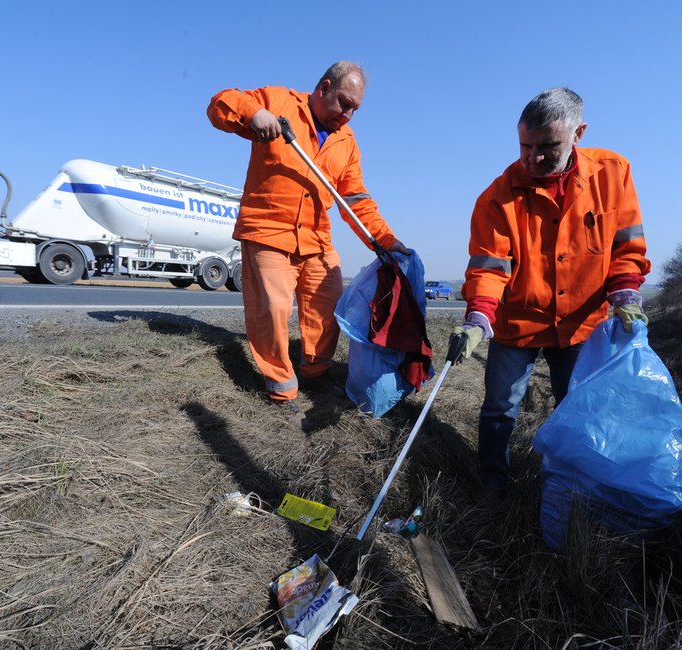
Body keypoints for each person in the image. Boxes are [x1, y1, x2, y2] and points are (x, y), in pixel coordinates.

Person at [447, 87, 651, 492]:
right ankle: (493, 484)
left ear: (579, 134)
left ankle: (570, 486)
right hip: (517, 323)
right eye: (525, 146)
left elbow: (626, 244)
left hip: (581, 323)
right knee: (499, 408)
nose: (533, 158)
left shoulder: (613, 173)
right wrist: (478, 317)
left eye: (548, 147)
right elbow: (490, 266)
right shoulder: (496, 197)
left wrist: (625, 291)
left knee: (576, 409)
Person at [207, 61, 409, 429]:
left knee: (327, 311)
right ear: (324, 88)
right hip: (268, 232)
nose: (347, 115)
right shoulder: (279, 102)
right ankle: (282, 389)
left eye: (355, 110)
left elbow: (356, 200)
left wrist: (385, 240)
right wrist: (255, 114)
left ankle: (315, 374)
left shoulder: (346, 142)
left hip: (316, 238)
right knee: (273, 311)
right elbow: (221, 104)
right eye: (344, 103)